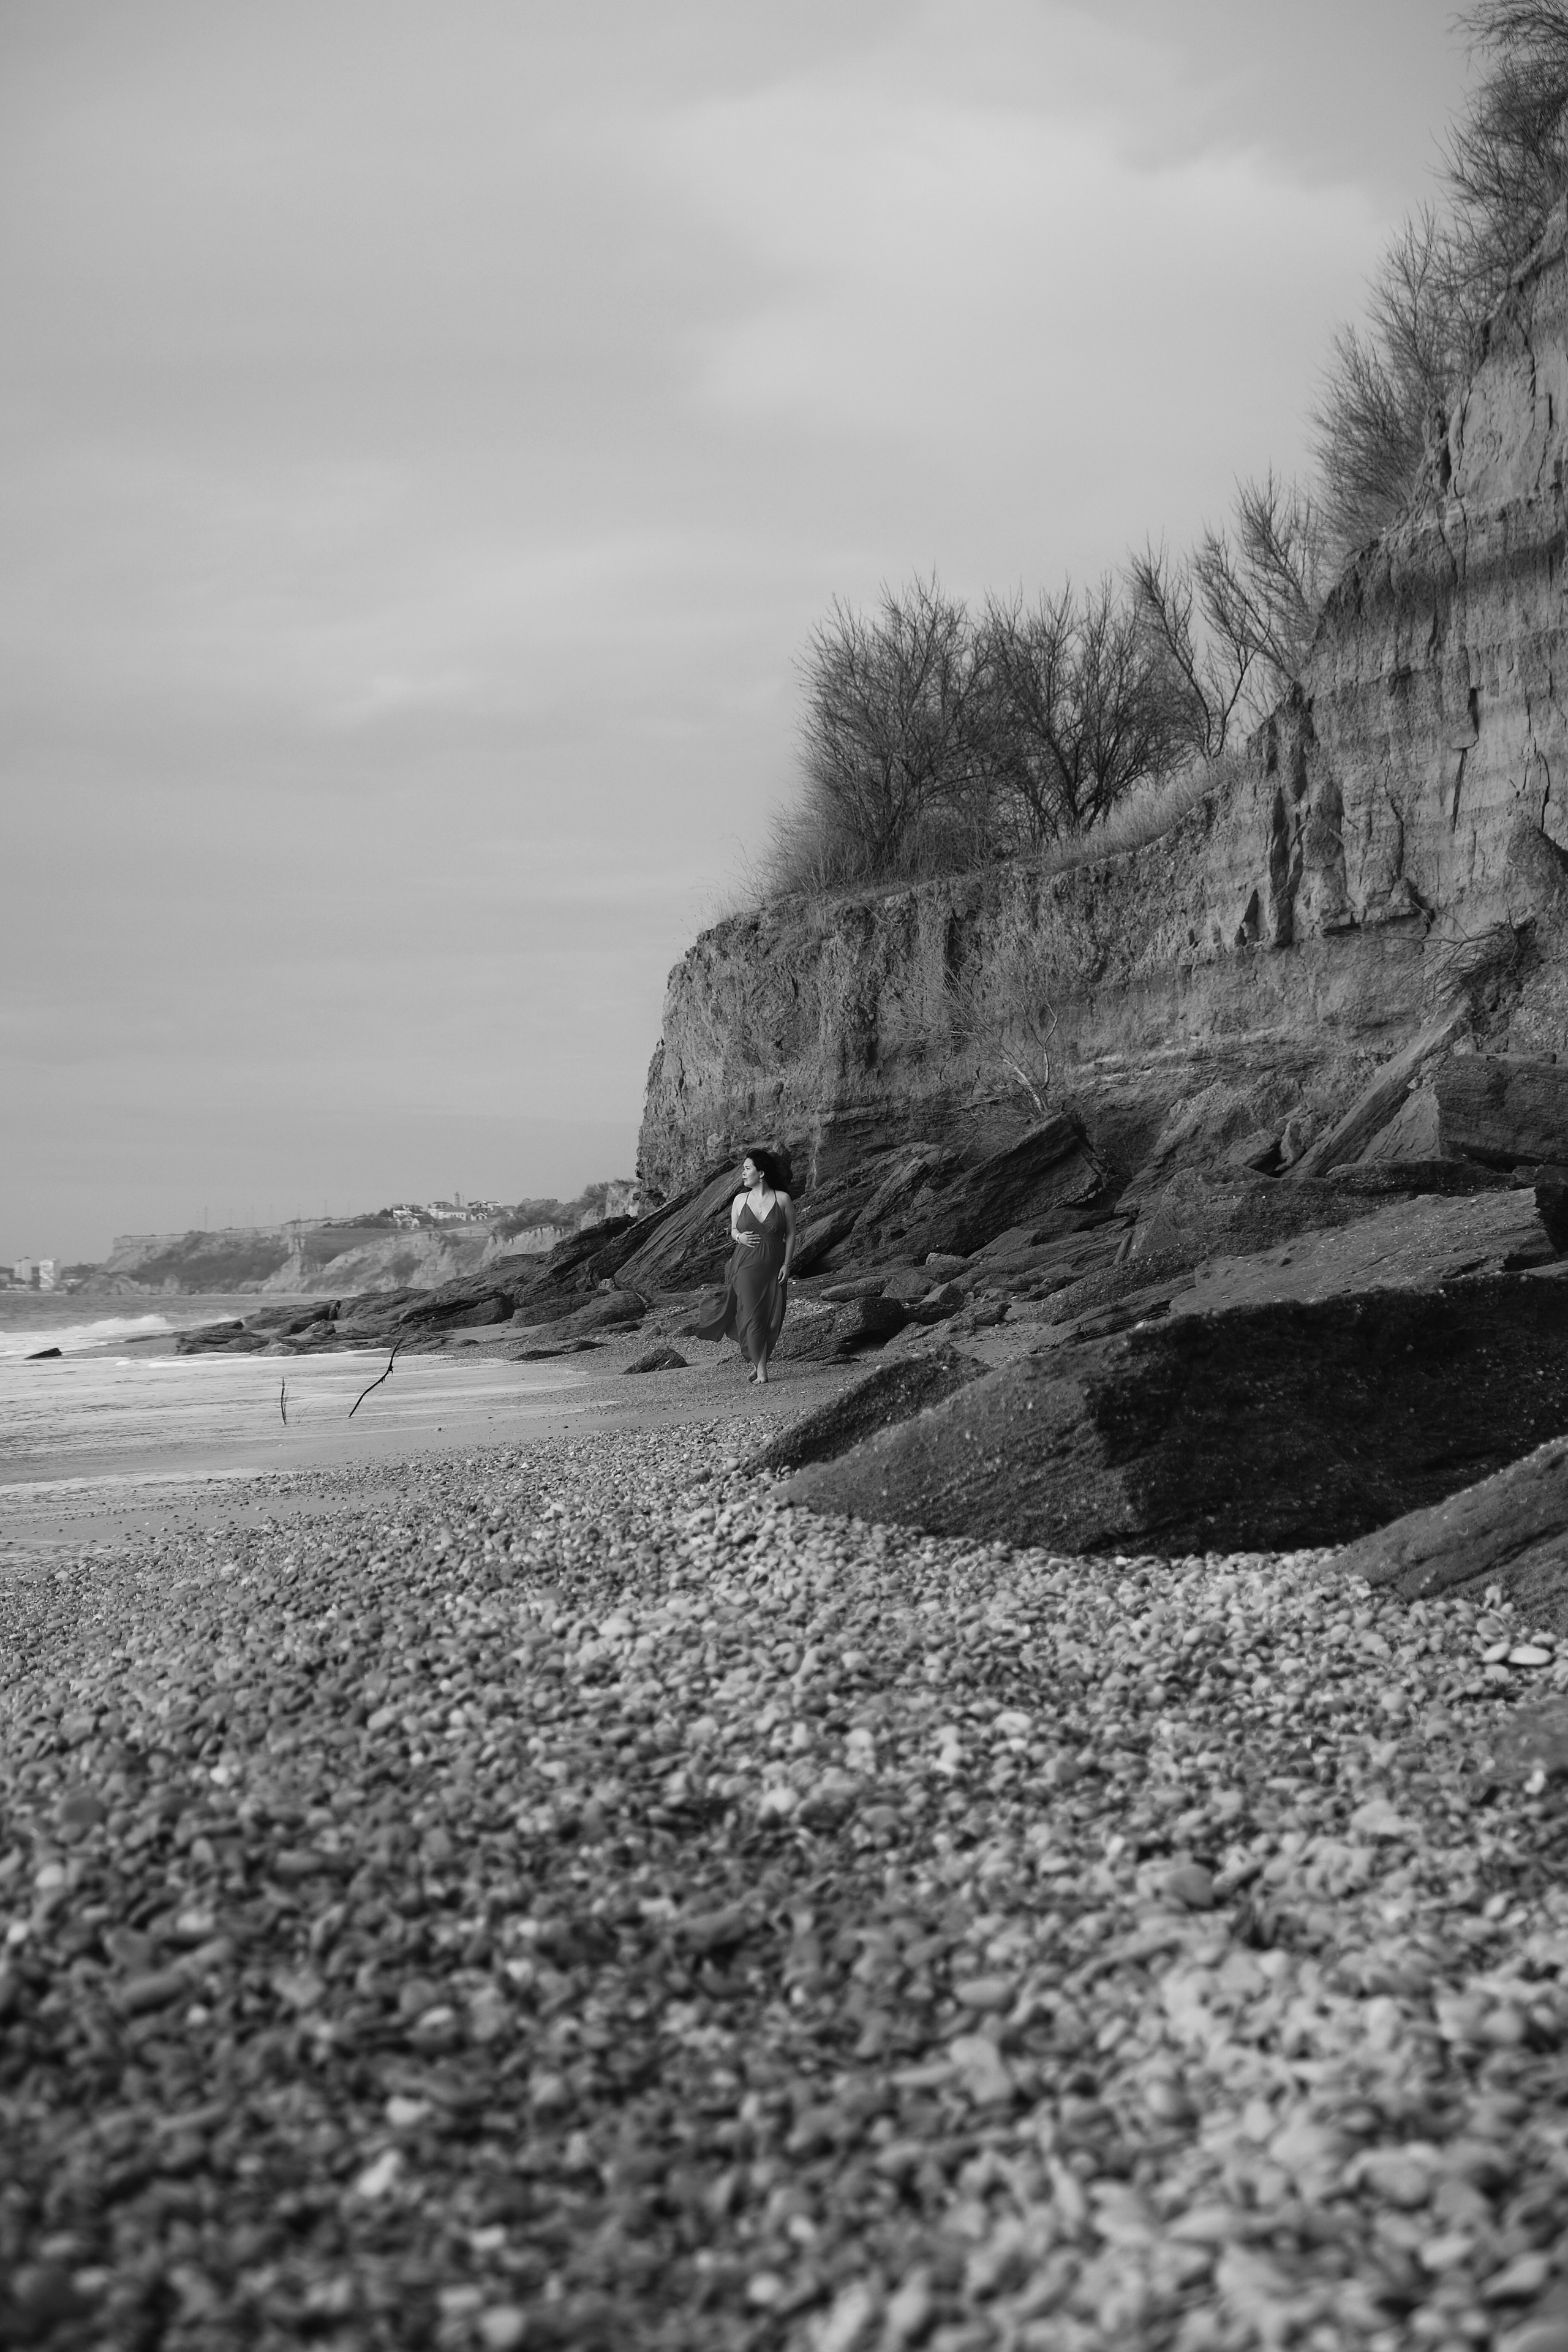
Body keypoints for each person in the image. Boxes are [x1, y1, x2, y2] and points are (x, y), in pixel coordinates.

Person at [692, 1147, 797, 1383]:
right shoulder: (740, 1200)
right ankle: (762, 1370)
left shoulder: (783, 1199)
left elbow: (790, 1234)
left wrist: (787, 1264)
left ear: (761, 1173)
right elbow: (733, 1230)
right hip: (745, 1265)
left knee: (773, 1320)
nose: (743, 1173)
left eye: (747, 1169)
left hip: (774, 1266)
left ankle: (758, 1358)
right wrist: (740, 1237)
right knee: (752, 1316)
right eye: (743, 1169)